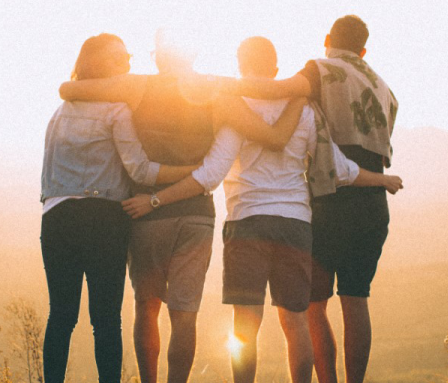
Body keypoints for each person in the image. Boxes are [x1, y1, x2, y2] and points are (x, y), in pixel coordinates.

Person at [121, 36, 402, 383]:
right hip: (296, 224)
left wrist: (157, 199)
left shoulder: (237, 108)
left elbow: (210, 174)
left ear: (241, 66)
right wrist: (380, 179)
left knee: (245, 323)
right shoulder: (305, 110)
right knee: (296, 320)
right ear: (276, 67)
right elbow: (338, 168)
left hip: (247, 223)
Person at [58, 30, 305, 383]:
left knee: (147, 307)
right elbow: (274, 134)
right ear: (192, 54)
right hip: (196, 216)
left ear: (159, 56)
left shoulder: (137, 86)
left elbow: (70, 90)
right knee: (184, 314)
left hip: (145, 214)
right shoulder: (216, 91)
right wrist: (302, 89)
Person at [222, 16, 400, 383]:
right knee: (356, 299)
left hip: (330, 199)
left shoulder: (320, 69)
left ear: (326, 40)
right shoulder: (384, 88)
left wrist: (216, 87)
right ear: (363, 49)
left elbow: (279, 90)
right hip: (371, 201)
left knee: (313, 307)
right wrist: (382, 180)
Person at [40, 33, 199, 383]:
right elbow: (140, 170)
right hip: (103, 219)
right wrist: (191, 172)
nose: (127, 62)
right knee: (106, 319)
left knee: (61, 316)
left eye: (127, 55)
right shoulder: (116, 110)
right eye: (118, 58)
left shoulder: (59, 112)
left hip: (56, 217)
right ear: (97, 63)